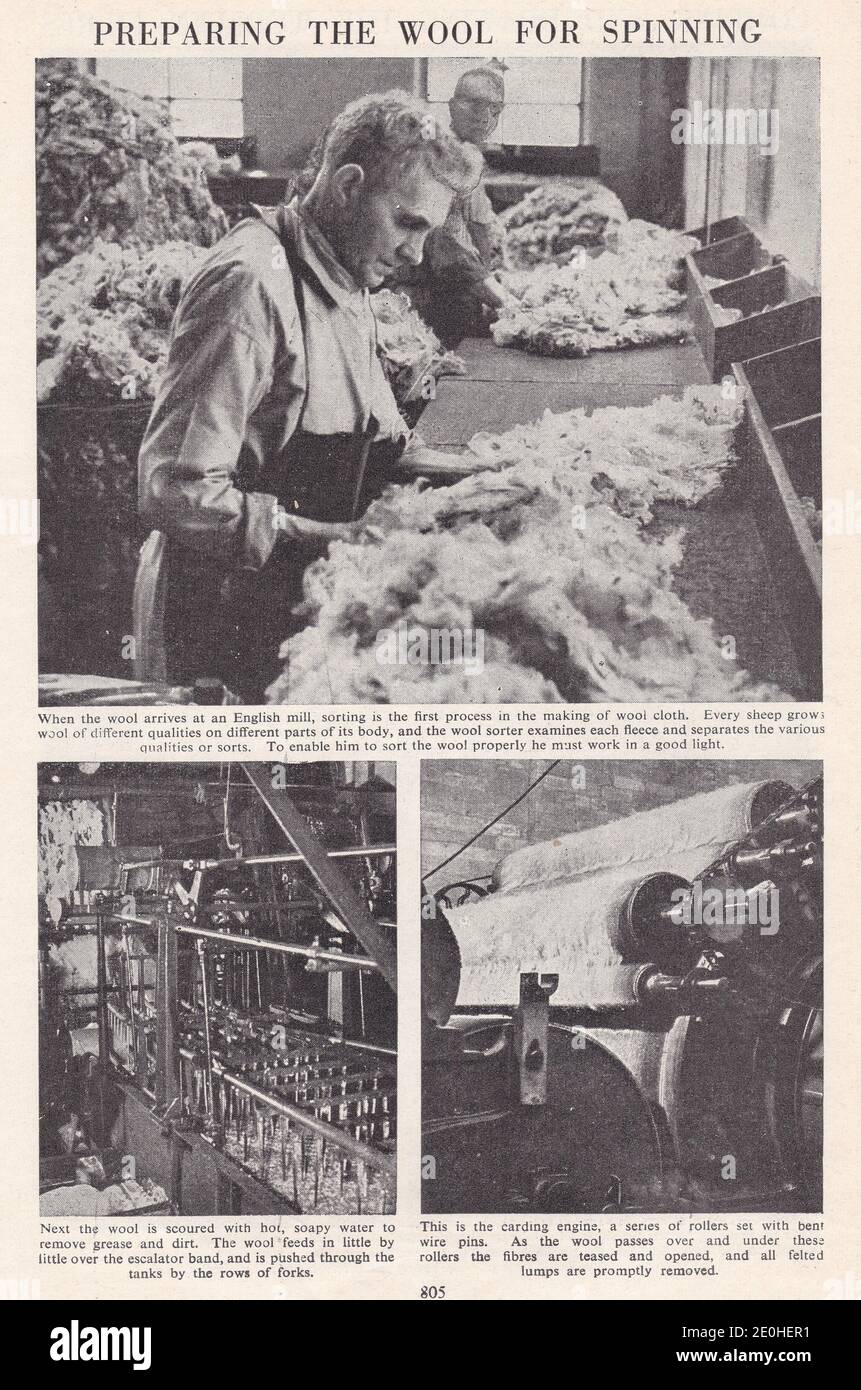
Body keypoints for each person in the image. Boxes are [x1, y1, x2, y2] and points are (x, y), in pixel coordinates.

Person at [134, 90, 480, 702]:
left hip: (308, 604)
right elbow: (177, 492)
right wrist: (342, 538)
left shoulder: (344, 276)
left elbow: (366, 432)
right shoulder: (252, 287)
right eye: (407, 223)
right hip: (232, 631)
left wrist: (480, 478)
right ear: (347, 187)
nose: (416, 254)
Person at [395, 66, 514, 344]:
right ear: (452, 106)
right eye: (474, 104)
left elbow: (479, 226)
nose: (485, 117)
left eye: (494, 109)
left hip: (463, 290)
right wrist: (503, 300)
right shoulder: (434, 154)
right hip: (424, 298)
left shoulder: (470, 156)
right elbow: (443, 238)